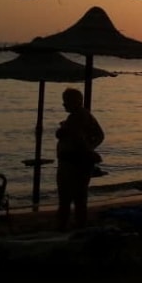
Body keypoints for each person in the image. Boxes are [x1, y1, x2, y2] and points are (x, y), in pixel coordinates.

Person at [55, 87, 105, 231]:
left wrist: (87, 150)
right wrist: (90, 148)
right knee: (78, 197)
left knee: (68, 197)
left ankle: (67, 226)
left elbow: (80, 138)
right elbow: (98, 136)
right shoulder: (81, 116)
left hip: (73, 163)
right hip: (74, 162)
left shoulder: (79, 117)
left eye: (66, 101)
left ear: (74, 102)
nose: (64, 104)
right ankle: (76, 224)